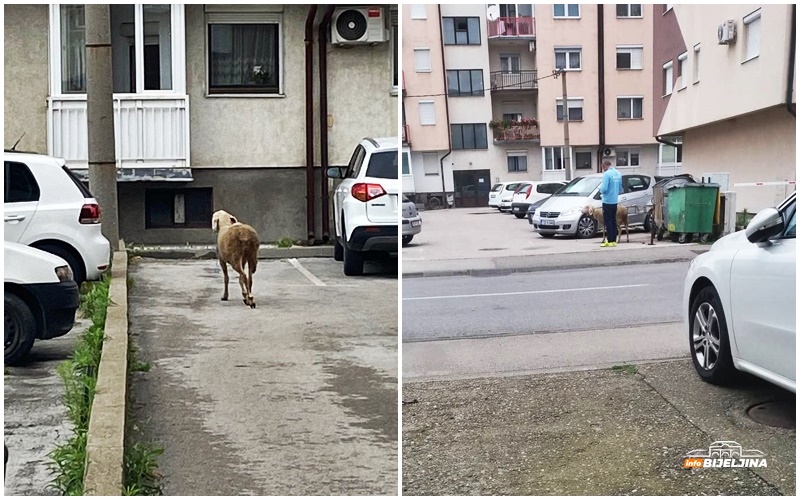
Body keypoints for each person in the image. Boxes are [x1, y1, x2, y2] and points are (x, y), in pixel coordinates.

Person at [599, 159, 623, 247]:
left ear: (604, 166)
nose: (603, 169)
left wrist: (600, 191)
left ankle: (609, 241)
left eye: (603, 168)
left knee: (608, 221)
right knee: (613, 220)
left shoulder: (607, 174)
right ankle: (614, 240)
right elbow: (620, 188)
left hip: (607, 200)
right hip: (615, 201)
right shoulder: (618, 173)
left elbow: (604, 188)